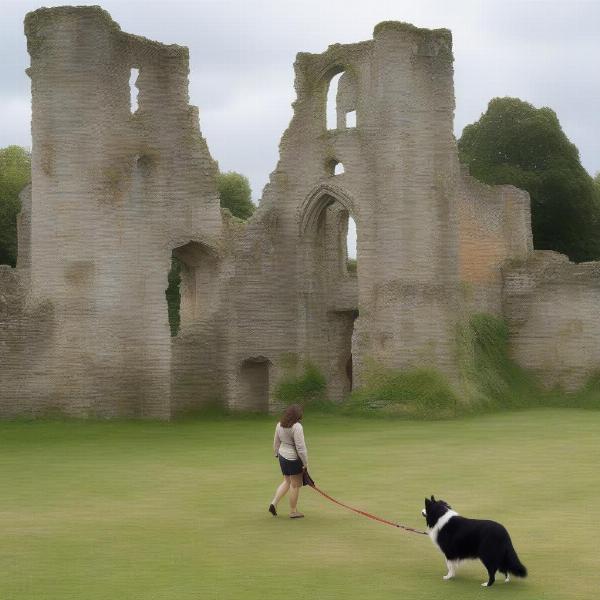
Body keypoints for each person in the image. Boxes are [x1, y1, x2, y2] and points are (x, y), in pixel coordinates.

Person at [268, 404, 308, 519]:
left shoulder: (279, 424)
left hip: (282, 456)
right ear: (298, 415)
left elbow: (276, 442)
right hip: (293, 458)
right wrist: (305, 463)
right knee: (295, 485)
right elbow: (300, 447)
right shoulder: (297, 427)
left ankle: (273, 503)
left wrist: (276, 453)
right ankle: (293, 511)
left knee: (286, 481)